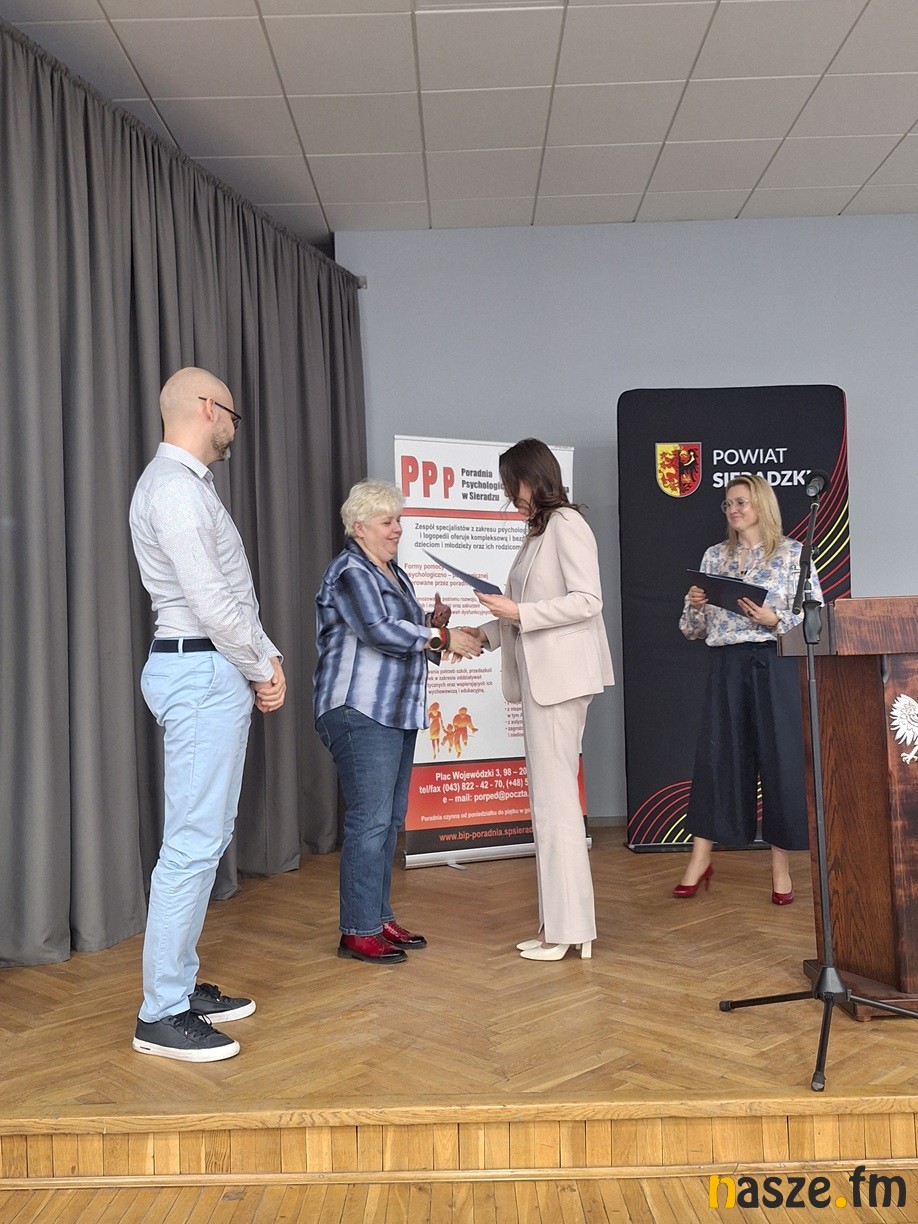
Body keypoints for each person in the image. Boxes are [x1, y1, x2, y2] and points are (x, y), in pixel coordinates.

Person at [129, 367, 286, 1063]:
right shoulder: (173, 488)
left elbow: (224, 596)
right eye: (232, 415)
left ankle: (179, 986)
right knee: (192, 844)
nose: (233, 428)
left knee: (206, 836)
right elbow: (210, 598)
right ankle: (160, 1014)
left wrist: (255, 658)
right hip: (200, 668)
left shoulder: (187, 486)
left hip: (206, 665)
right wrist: (262, 661)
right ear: (206, 408)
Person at [313, 480, 482, 964]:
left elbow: (405, 634)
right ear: (359, 526)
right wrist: (441, 635)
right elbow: (379, 631)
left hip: (394, 711)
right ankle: (357, 931)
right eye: (387, 522)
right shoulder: (350, 570)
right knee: (370, 821)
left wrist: (433, 622)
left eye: (398, 520)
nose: (397, 529)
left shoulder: (394, 573)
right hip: (359, 709)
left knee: (388, 820)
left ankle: (377, 916)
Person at [465, 439, 614, 962]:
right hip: (539, 679)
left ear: (533, 477)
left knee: (556, 807)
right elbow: (521, 609)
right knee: (549, 806)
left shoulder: (567, 524)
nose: (510, 495)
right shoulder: (537, 532)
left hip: (560, 681)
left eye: (513, 484)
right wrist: (484, 634)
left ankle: (570, 930)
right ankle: (558, 924)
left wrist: (518, 613)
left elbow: (588, 601)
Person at [675, 473, 823, 903]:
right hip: (726, 664)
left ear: (762, 504)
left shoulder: (794, 554)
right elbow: (691, 629)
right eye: (728, 503)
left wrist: (775, 620)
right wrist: (694, 605)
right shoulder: (714, 555)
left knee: (779, 761)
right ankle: (700, 858)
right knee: (718, 759)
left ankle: (780, 868)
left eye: (741, 501)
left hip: (774, 663)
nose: (733, 510)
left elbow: (815, 619)